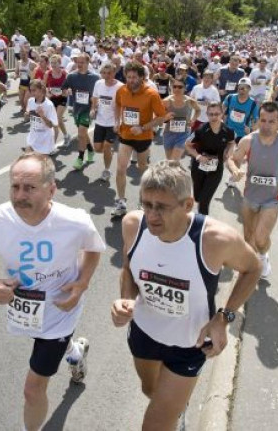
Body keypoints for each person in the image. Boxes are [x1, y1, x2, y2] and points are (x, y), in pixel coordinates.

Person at [110, 161, 262, 431]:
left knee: (155, 423)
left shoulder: (215, 239)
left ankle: (172, 412)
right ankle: (176, 410)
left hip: (190, 344)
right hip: (145, 332)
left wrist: (223, 318)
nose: (152, 215)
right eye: (146, 204)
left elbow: (253, 268)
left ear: (188, 204)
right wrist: (126, 299)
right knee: (150, 391)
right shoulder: (133, 225)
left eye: (162, 207)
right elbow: (129, 268)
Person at [0, 152, 105, 431]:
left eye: (30, 188)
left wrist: (82, 283)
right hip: (24, 307)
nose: (20, 195)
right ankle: (74, 353)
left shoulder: (74, 220)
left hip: (60, 309)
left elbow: (93, 248)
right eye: (15, 187)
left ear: (52, 189)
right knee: (40, 340)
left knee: (32, 389)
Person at [227, 101, 278, 277]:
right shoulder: (248, 140)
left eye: (271, 121)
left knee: (260, 238)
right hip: (250, 196)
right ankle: (250, 264)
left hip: (273, 199)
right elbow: (232, 159)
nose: (266, 125)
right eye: (263, 120)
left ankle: (263, 257)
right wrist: (234, 169)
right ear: (258, 120)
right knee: (248, 234)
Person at [112, 61, 167, 218]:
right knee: (121, 168)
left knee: (142, 168)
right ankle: (121, 202)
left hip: (143, 136)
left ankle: (145, 200)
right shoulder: (121, 90)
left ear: (142, 77)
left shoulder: (151, 94)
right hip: (125, 135)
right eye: (128, 77)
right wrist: (117, 121)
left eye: (134, 77)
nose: (130, 80)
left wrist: (143, 128)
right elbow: (117, 105)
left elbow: (161, 117)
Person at [184, 102, 235, 215]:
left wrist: (229, 152)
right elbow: (187, 145)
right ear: (207, 115)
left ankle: (202, 225)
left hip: (216, 169)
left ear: (222, 114)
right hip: (199, 167)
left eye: (217, 114)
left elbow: (231, 143)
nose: (214, 117)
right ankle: (200, 206)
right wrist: (198, 156)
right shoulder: (200, 130)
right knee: (197, 197)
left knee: (204, 201)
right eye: (211, 114)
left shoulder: (229, 131)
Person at [62, 53, 100, 170]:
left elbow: (100, 93)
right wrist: (66, 92)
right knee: (82, 133)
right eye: (77, 62)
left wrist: (95, 104)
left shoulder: (95, 78)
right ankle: (90, 150)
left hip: (88, 109)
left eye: (82, 62)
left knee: (81, 133)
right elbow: (63, 89)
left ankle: (80, 158)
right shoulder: (71, 76)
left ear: (88, 63)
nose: (79, 64)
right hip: (76, 109)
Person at [89, 62, 124, 182]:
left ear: (114, 73)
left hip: (112, 123)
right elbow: (95, 98)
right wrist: (93, 109)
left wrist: (118, 122)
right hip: (100, 121)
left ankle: (107, 170)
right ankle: (109, 152)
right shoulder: (98, 83)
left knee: (107, 146)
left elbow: (123, 105)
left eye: (109, 73)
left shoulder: (120, 87)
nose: (106, 75)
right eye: (104, 73)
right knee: (98, 148)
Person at [223, 77, 260, 188]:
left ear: (249, 89)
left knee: (237, 157)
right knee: (226, 156)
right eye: (240, 87)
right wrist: (222, 122)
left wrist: (252, 129)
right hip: (228, 131)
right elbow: (223, 109)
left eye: (244, 88)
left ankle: (233, 179)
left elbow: (257, 119)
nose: (242, 89)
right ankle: (236, 173)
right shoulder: (230, 98)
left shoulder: (253, 103)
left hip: (242, 134)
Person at [162, 78, 200, 161]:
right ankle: (174, 173)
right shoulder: (166, 101)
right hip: (169, 133)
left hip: (183, 134)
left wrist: (193, 119)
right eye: (174, 86)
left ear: (185, 88)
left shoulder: (190, 101)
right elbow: (160, 119)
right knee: (169, 161)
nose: (176, 89)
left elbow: (198, 110)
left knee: (174, 160)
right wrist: (166, 117)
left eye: (180, 87)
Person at [24, 80, 58, 155]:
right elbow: (26, 116)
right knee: (27, 159)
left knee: (41, 165)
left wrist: (42, 115)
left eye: (34, 90)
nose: (32, 93)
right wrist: (26, 114)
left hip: (45, 139)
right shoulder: (30, 101)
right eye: (31, 90)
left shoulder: (49, 105)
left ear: (41, 90)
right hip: (33, 137)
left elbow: (50, 125)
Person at [44, 55, 70, 146]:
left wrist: (66, 92)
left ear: (60, 63)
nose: (53, 64)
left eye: (55, 63)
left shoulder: (64, 73)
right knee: (53, 120)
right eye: (52, 63)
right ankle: (55, 138)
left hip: (62, 98)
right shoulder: (48, 73)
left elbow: (69, 87)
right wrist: (47, 93)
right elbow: (44, 86)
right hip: (52, 98)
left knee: (58, 118)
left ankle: (65, 137)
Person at [16, 47, 38, 116]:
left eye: (24, 54)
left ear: (27, 54)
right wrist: (16, 75)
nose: (22, 56)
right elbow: (16, 72)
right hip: (22, 84)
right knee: (21, 100)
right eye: (21, 54)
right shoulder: (19, 62)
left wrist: (31, 75)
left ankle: (28, 114)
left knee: (26, 101)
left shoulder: (32, 63)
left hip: (30, 85)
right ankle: (26, 111)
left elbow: (38, 73)